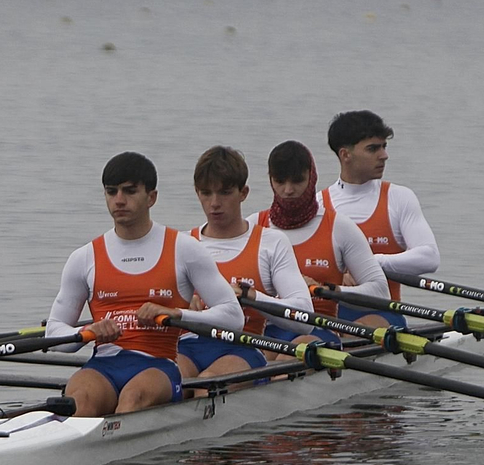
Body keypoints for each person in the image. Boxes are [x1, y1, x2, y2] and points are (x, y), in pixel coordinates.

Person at [46, 151, 244, 417]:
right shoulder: (84, 257)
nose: (119, 200)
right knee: (80, 399)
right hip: (103, 365)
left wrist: (177, 314)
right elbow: (54, 334)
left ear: (152, 197)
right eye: (111, 191)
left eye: (129, 191)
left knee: (133, 398)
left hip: (159, 366)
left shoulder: (184, 249)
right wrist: (89, 332)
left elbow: (233, 316)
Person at [176, 145, 316, 384]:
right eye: (206, 193)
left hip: (243, 346)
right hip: (189, 347)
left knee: (206, 383)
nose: (214, 203)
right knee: (167, 383)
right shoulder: (181, 244)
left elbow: (303, 319)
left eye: (225, 192)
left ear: (244, 192)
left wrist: (252, 297)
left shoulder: (271, 243)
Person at [256, 140, 390, 337]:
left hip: (319, 328)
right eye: (280, 181)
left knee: (289, 354)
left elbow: (381, 291)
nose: (288, 190)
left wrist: (330, 290)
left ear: (312, 178)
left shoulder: (339, 227)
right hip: (267, 331)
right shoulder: (255, 226)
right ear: (270, 180)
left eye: (297, 181)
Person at [322, 109, 440, 327]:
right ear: (345, 155)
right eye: (373, 149)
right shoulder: (318, 205)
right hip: (329, 316)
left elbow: (430, 257)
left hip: (384, 314)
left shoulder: (398, 198)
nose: (384, 155)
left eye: (384, 147)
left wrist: (370, 263)